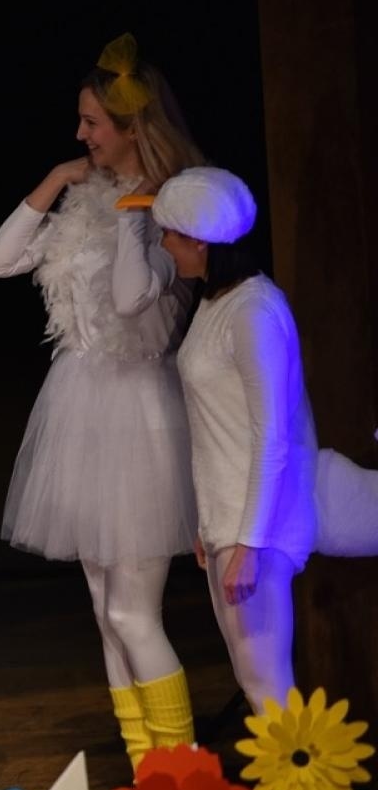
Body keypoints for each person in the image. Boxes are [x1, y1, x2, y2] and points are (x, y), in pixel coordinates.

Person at [0, 33, 205, 770]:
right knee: (107, 615)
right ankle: (148, 774)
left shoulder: (172, 205)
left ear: (133, 127)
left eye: (93, 123)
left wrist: (138, 216)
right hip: (79, 406)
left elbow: (133, 297)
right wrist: (54, 178)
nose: (81, 134)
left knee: (134, 610)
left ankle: (183, 775)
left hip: (137, 411)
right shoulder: (81, 193)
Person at [154, 167, 317, 714]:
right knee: (254, 683)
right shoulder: (214, 302)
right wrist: (209, 523)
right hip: (229, 522)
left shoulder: (254, 310)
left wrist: (248, 543)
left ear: (199, 239)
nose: (164, 246)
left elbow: (270, 435)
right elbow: (215, 427)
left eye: (169, 234)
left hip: (260, 530)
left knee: (267, 684)